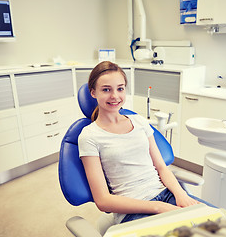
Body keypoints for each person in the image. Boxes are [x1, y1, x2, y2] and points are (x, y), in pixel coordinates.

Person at [78, 61, 212, 224]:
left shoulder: (139, 121)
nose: (115, 96)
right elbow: (103, 200)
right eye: (106, 89)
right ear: (93, 92)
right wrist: (157, 207)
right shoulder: (89, 136)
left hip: (167, 195)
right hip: (133, 212)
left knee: (224, 224)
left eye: (120, 88)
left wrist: (181, 195)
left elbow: (161, 167)